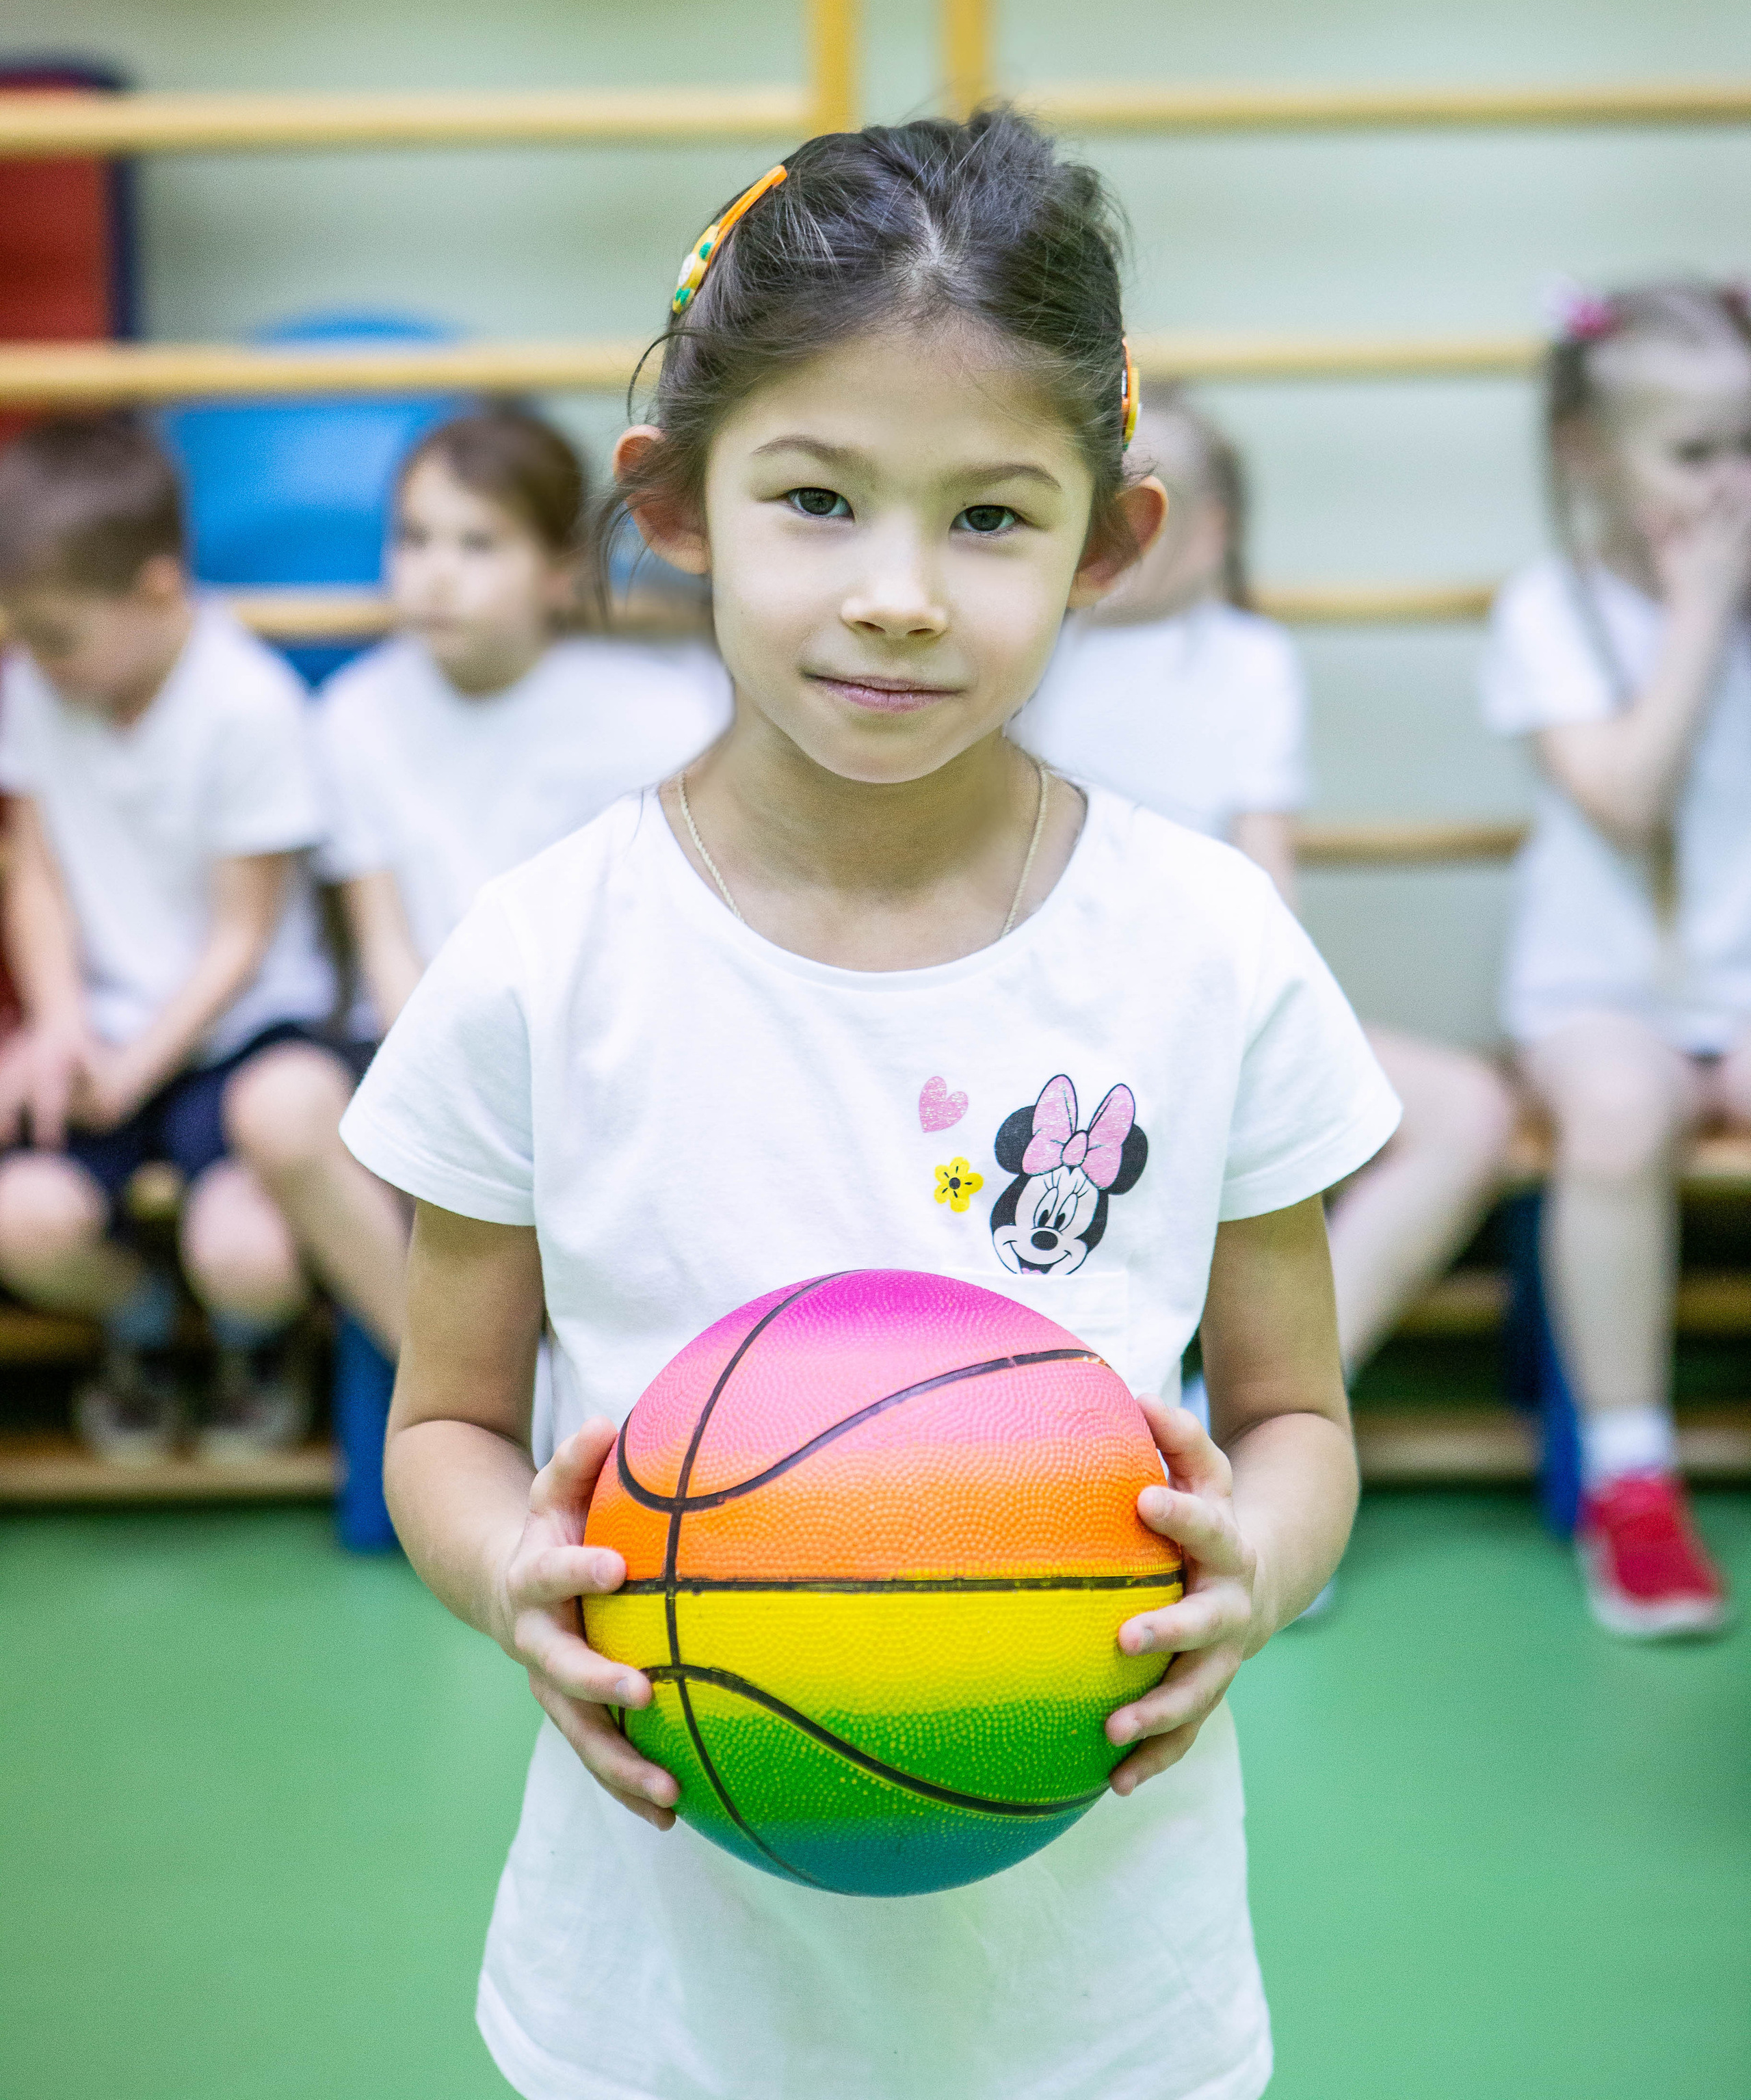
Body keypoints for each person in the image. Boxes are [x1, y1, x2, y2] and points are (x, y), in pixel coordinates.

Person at [340, 113, 1401, 2100]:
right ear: (671, 503)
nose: (899, 591)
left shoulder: (1205, 945)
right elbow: (453, 1423)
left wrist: (1257, 1560)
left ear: (1113, 540)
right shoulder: (543, 954)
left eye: (990, 517)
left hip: (1099, 1985)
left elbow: (1295, 1411)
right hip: (658, 1973)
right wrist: (510, 1577)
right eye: (817, 497)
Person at [1014, 390, 1516, 1400]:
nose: (1111, 537)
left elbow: (1264, 875)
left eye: (1142, 510)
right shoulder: (1022, 651)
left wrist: (1239, 1021)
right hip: (1048, 1018)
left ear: (1206, 536)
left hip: (1206, 1000)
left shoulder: (1246, 662)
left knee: (1466, 1111)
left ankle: (1270, 1410)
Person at [0, 415, 408, 1458]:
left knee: (248, 1256)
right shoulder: (37, 687)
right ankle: (136, 1323)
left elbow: (241, 940)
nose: (32, 659)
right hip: (103, 1032)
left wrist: (134, 1070)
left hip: (237, 1039)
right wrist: (55, 1025)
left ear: (155, 591)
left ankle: (246, 1342)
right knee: (22, 1219)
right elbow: (34, 870)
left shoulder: (248, 705)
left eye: (54, 635)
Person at [1479, 280, 1750, 1637]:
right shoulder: (1549, 611)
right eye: (1694, 454)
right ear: (1590, 456)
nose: (1731, 485)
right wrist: (1699, 615)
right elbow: (1627, 798)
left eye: (1749, 447)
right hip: (1598, 998)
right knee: (1618, 1111)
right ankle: (1630, 1479)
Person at [316, 404, 731, 1032]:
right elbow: (386, 945)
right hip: (416, 1051)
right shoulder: (356, 713)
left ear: (561, 573)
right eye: (414, 538)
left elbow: (659, 949)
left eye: (479, 545)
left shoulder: (662, 719)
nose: (438, 575)